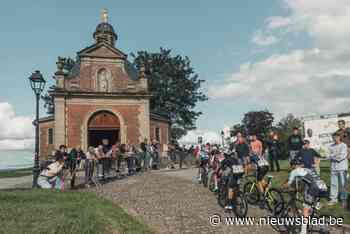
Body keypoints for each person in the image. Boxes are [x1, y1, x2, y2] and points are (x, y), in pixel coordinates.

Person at [282, 158, 328, 234]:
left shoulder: (294, 171)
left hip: (314, 188)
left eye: (291, 166)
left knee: (305, 210)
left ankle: (303, 231)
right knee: (312, 208)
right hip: (323, 187)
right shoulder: (307, 169)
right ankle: (323, 227)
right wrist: (299, 189)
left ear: (293, 166)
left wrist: (282, 187)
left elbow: (288, 183)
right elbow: (308, 181)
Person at [327, 133, 348, 208]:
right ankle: (333, 199)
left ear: (339, 137)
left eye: (336, 137)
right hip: (333, 168)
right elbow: (328, 156)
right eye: (334, 137)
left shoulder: (343, 145)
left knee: (343, 185)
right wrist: (334, 156)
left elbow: (342, 157)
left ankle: (344, 200)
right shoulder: (331, 146)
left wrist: (333, 156)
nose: (335, 139)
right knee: (333, 184)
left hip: (342, 168)